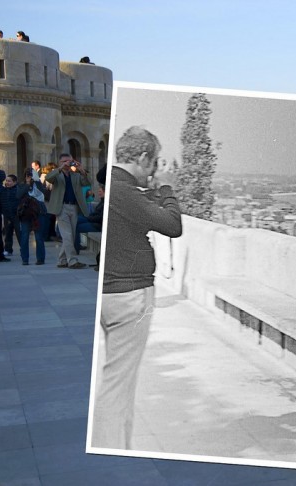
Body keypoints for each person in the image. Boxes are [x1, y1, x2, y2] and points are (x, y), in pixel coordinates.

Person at [92, 126, 182, 449]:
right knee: (117, 391)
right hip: (128, 298)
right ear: (143, 157)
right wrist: (167, 189)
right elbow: (173, 225)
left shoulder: (115, 186)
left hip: (113, 293)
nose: (154, 170)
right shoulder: (124, 190)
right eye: (154, 163)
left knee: (119, 386)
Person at [45, 154, 91, 269]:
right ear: (60, 162)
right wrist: (60, 169)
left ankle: (62, 260)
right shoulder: (57, 174)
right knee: (67, 235)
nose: (67, 163)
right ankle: (73, 261)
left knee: (71, 235)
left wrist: (81, 170)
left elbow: (87, 183)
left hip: (74, 207)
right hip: (62, 207)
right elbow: (48, 178)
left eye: (69, 161)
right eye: (64, 161)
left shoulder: (75, 175)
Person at [16, 169, 47, 265]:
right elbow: (18, 195)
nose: (29, 176)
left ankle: (40, 259)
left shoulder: (38, 184)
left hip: (39, 212)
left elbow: (44, 194)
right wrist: (27, 184)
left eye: (31, 175)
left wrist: (37, 181)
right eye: (27, 175)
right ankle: (25, 259)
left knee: (39, 236)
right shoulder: (22, 185)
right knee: (25, 236)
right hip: (26, 213)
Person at [1, 174, 21, 257]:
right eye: (6, 181)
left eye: (9, 181)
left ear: (15, 182)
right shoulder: (4, 190)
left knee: (19, 233)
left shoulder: (18, 190)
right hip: (7, 215)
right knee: (8, 233)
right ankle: (8, 249)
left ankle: (23, 248)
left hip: (17, 215)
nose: (7, 182)